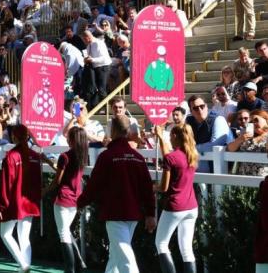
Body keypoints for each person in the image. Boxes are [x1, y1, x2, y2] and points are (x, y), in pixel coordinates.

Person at [78, 116, 156, 273]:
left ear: (112, 130)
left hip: (114, 213)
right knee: (116, 254)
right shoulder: (138, 158)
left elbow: (93, 186)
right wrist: (150, 214)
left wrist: (80, 202)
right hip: (133, 214)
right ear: (128, 132)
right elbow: (147, 189)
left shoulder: (106, 157)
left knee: (124, 257)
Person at [0, 124, 44, 272]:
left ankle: (23, 265)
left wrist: (0, 206)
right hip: (30, 202)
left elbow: (6, 184)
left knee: (5, 234)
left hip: (15, 202)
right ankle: (24, 266)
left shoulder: (11, 157)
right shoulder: (35, 157)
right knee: (24, 237)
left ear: (13, 137)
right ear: (27, 136)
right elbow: (39, 181)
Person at [153, 124, 199, 273]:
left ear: (174, 136)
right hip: (191, 206)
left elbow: (163, 188)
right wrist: (160, 138)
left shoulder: (171, 157)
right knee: (186, 249)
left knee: (161, 243)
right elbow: (169, 156)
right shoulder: (192, 154)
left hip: (175, 206)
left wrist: (152, 187)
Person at [45, 126, 88, 273]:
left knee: (63, 234)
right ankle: (80, 263)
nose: (67, 139)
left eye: (69, 137)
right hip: (75, 199)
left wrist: (43, 191)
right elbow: (62, 172)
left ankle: (70, 269)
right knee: (66, 231)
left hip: (63, 199)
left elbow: (57, 180)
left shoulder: (65, 156)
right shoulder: (82, 156)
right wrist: (47, 161)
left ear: (72, 140)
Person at [185, 95, 233, 173]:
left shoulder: (218, 119)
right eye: (195, 108)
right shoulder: (189, 121)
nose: (200, 110)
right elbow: (184, 142)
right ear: (191, 111)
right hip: (196, 170)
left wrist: (191, 148)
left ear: (206, 107)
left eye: (202, 106)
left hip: (218, 168)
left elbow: (214, 146)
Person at [227, 110, 268, 177]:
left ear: (265, 119)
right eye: (251, 122)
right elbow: (229, 149)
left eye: (256, 120)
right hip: (242, 182)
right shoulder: (247, 137)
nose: (254, 123)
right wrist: (240, 139)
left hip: (262, 180)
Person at [82, 30, 112, 108]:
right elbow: (88, 57)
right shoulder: (89, 45)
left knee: (102, 89)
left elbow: (104, 58)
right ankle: (99, 107)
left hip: (103, 67)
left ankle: (106, 109)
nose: (84, 41)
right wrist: (86, 60)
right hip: (95, 68)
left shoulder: (99, 43)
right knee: (96, 88)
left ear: (87, 37)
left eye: (84, 39)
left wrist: (92, 59)